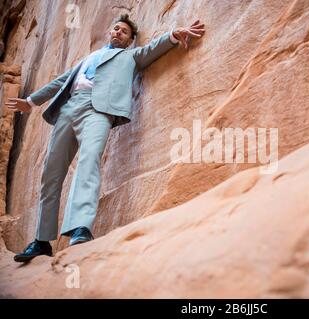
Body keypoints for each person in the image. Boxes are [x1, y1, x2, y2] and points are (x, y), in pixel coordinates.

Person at [6, 13, 205, 262]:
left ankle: (80, 229)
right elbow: (60, 81)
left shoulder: (131, 56)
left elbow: (152, 49)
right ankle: (42, 241)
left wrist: (173, 36)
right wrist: (31, 101)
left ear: (130, 39)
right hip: (68, 109)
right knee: (50, 174)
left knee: (89, 162)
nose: (117, 32)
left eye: (123, 31)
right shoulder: (88, 58)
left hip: (98, 111)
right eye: (115, 29)